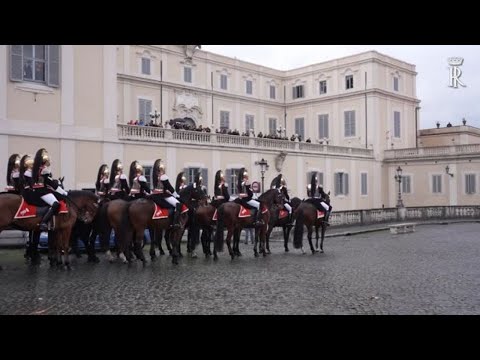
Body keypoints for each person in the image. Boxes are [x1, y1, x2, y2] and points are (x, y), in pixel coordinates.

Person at [28, 148, 69, 231]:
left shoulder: (36, 168)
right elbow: (51, 183)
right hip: (42, 191)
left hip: (37, 191)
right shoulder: (44, 170)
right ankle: (43, 222)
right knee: (56, 204)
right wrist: (64, 192)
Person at [151, 160, 182, 229]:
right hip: (162, 195)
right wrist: (176, 195)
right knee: (178, 204)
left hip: (154, 194)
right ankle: (175, 223)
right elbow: (169, 187)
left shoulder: (156, 176)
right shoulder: (163, 176)